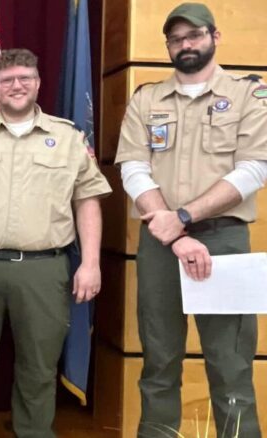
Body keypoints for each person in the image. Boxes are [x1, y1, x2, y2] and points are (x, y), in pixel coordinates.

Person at [0, 48, 112, 438]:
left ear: (38, 83)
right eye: (7, 79)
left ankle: (33, 433)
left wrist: (92, 262)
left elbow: (88, 203)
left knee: (39, 365)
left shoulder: (67, 138)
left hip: (44, 268)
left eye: (24, 78)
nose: (16, 86)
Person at [115, 3, 267, 436]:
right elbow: (133, 168)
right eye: (176, 39)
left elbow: (254, 168)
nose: (185, 45)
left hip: (224, 241)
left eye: (194, 36)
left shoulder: (249, 96)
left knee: (231, 364)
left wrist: (182, 216)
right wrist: (175, 231)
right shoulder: (146, 99)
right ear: (168, 45)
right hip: (161, 244)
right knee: (159, 360)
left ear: (214, 37)